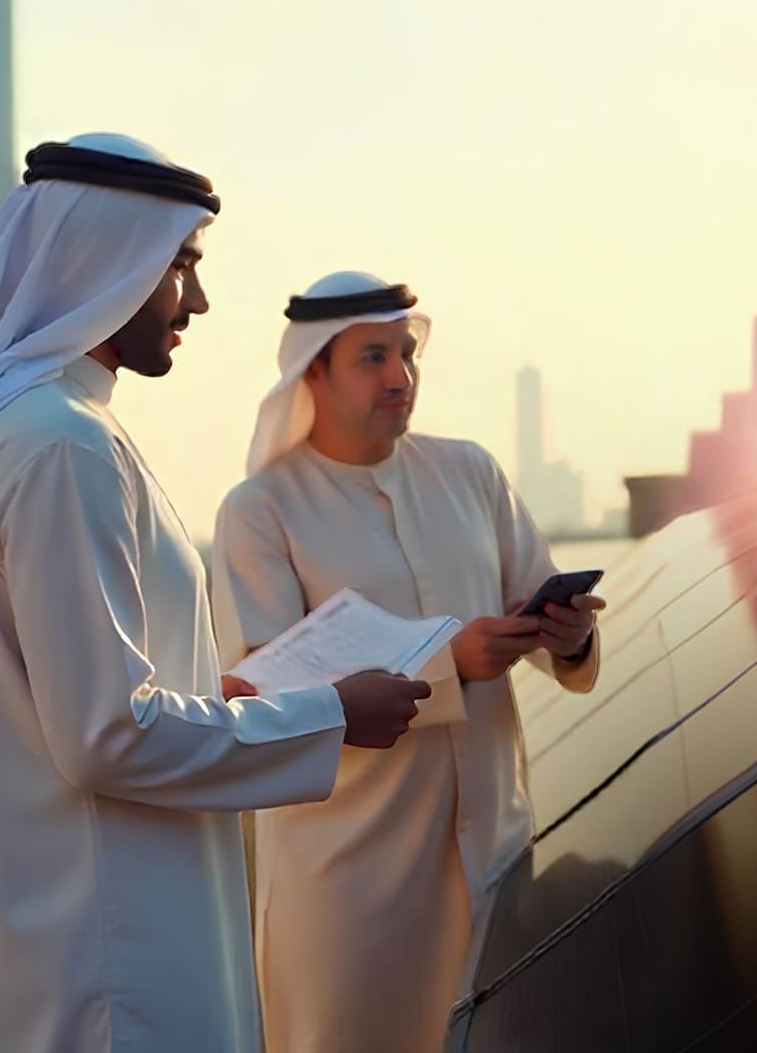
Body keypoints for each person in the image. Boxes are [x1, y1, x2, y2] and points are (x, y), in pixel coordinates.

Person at [0, 139, 432, 1053]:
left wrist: (211, 696)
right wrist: (330, 715)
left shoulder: (34, 425)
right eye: (181, 267)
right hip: (106, 952)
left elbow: (79, 691)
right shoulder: (58, 443)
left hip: (72, 919)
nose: (195, 300)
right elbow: (106, 735)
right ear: (105, 262)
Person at [210, 271, 605, 1053]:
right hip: (348, 887)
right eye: (373, 358)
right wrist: (447, 664)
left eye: (407, 355)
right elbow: (260, 697)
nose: (400, 377)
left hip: (495, 858)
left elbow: (556, 628)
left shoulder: (472, 474)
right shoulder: (259, 511)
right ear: (310, 372)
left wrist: (567, 638)